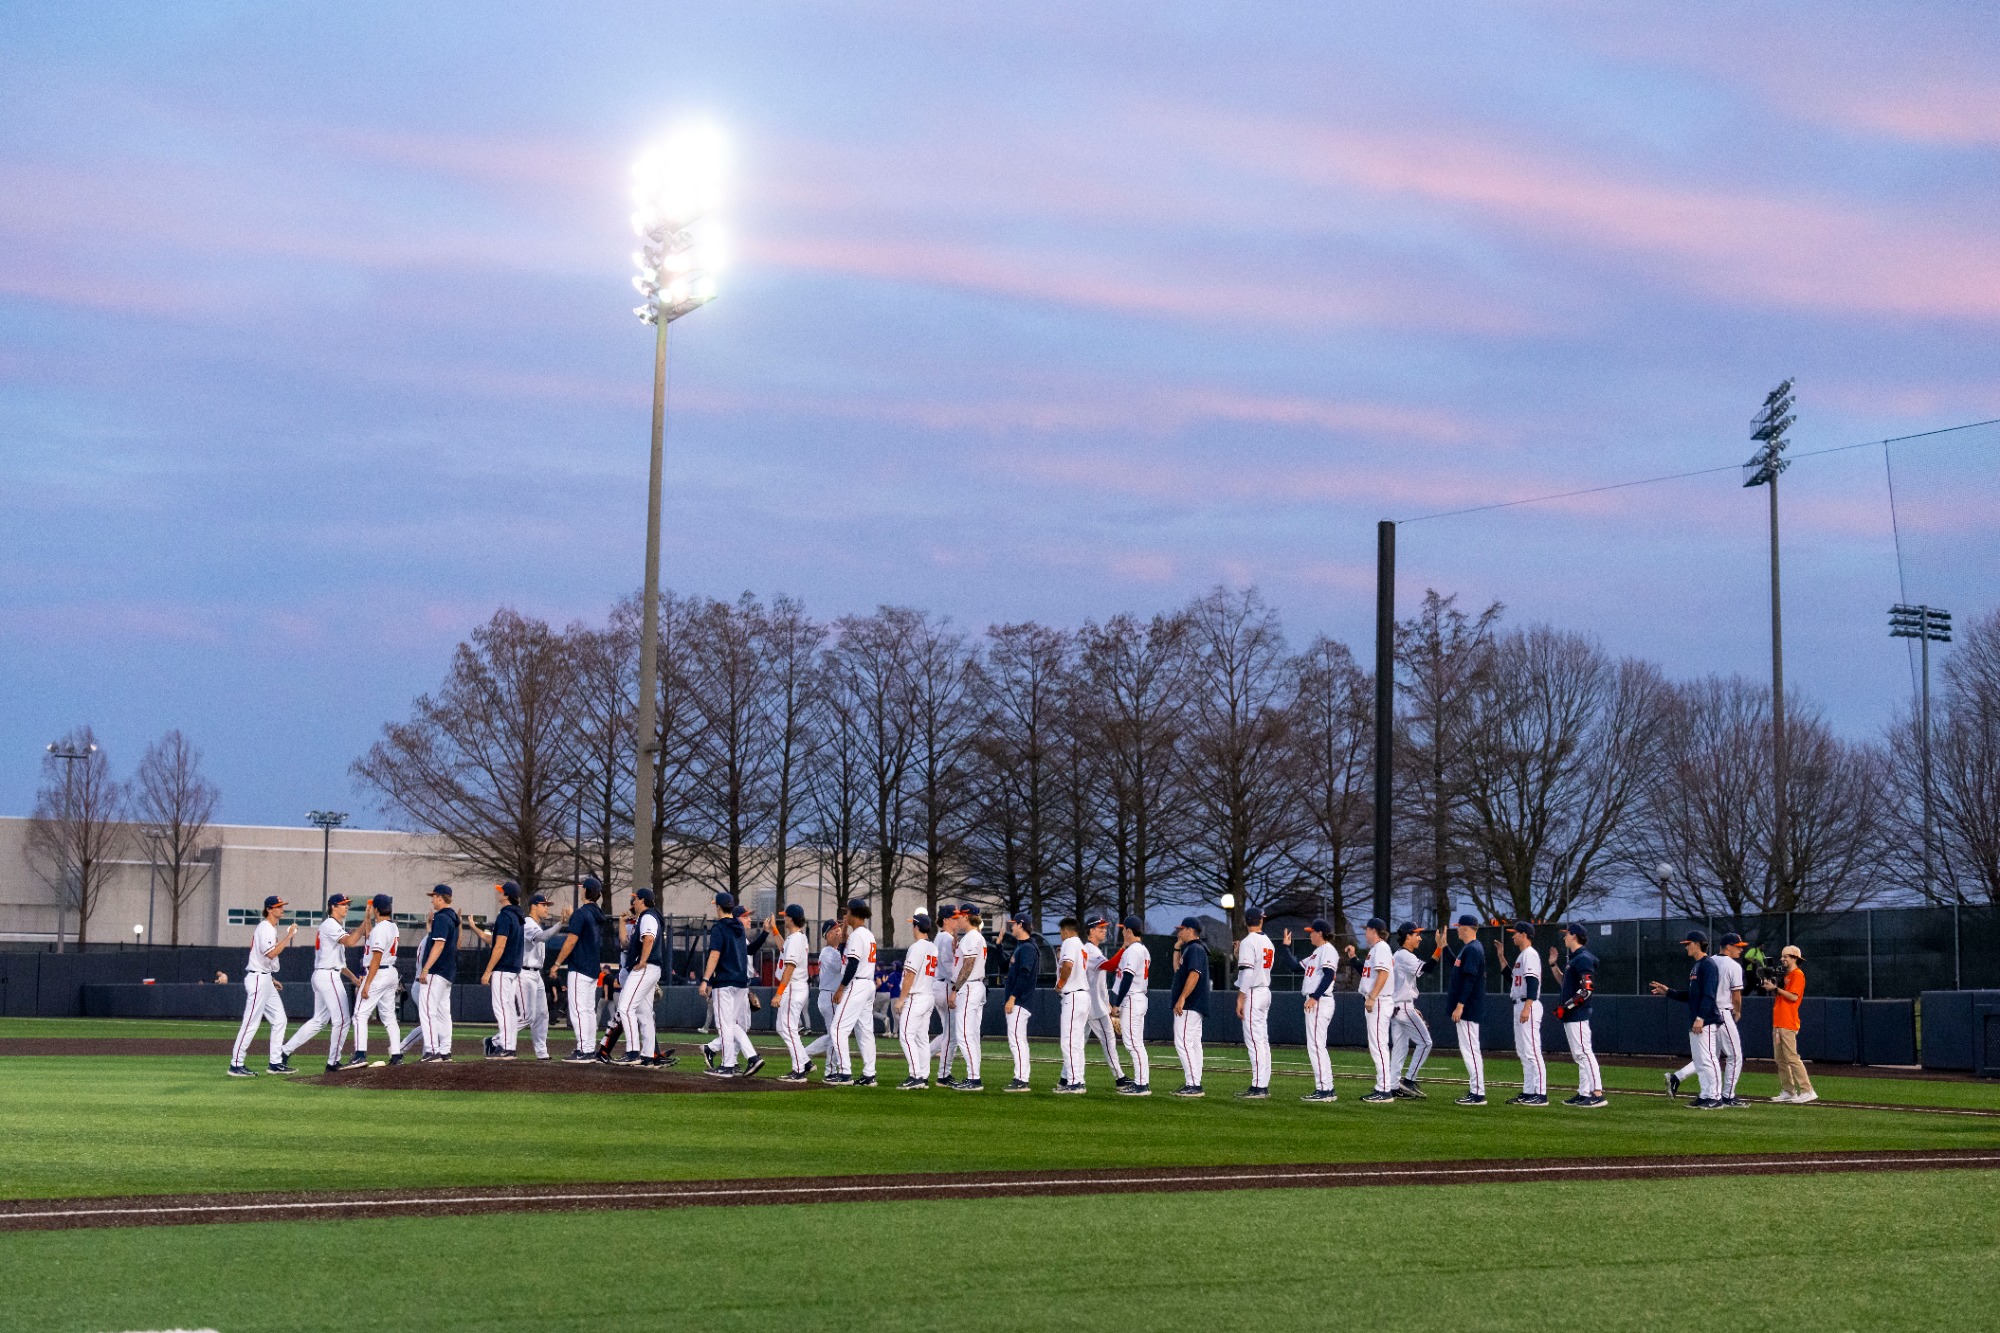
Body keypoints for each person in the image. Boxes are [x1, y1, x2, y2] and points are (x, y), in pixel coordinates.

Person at [283, 892, 365, 1073]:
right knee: (343, 1020)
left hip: (323, 974)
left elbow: (341, 964)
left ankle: (284, 1052)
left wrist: (352, 978)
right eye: (342, 904)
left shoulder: (334, 926)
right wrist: (365, 923)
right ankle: (333, 1062)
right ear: (332, 907)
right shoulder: (330, 924)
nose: (346, 907)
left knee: (319, 1020)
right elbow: (351, 942)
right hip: (328, 977)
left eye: (347, 904)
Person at [1651, 929, 1722, 1109]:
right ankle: (1705, 1095)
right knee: (1699, 1061)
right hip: (1696, 1020)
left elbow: (1709, 995)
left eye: (1688, 944)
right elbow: (1692, 995)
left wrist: (1701, 1017)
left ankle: (1714, 1096)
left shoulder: (1708, 965)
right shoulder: (1697, 965)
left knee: (1708, 1059)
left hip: (1705, 1020)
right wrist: (1668, 992)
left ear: (1697, 944)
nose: (1686, 948)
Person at [228, 894, 296, 1077]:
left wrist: (271, 979)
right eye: (278, 906)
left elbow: (264, 958)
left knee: (280, 1019)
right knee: (251, 1022)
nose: (282, 909)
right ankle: (236, 1064)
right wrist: (289, 936)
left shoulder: (270, 928)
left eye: (282, 905)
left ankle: (275, 1063)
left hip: (264, 978)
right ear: (269, 909)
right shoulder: (265, 928)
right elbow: (271, 954)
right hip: (258, 979)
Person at [700, 893, 761, 1078]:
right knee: (732, 1025)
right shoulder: (740, 929)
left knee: (724, 1025)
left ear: (718, 907)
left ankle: (727, 1065)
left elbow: (715, 955)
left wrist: (705, 979)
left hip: (725, 982)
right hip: (741, 983)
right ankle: (752, 1057)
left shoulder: (719, 928)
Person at [549, 879, 608, 1060]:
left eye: (583, 888)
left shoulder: (581, 914)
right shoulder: (598, 914)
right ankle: (588, 1047)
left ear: (586, 892)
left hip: (580, 967)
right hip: (592, 968)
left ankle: (584, 1049)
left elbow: (571, 941)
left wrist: (557, 963)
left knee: (578, 1010)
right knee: (588, 1011)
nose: (581, 891)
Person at [1494, 920, 1548, 1106]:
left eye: (1515, 933)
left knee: (1532, 1050)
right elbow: (1512, 978)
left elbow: (1532, 983)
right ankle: (1528, 1091)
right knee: (1523, 1051)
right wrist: (1501, 957)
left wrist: (1527, 1007)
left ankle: (1540, 1094)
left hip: (1528, 1005)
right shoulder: (1522, 956)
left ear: (1524, 935)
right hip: (1520, 1004)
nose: (1512, 936)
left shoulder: (1530, 955)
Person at [827, 898, 879, 1086]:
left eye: (847, 912)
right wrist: (846, 931)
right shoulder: (867, 934)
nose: (845, 915)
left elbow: (853, 964)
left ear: (854, 913)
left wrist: (841, 988)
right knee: (865, 1031)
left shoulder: (858, 935)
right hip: (867, 985)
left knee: (838, 1028)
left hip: (856, 984)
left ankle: (845, 1073)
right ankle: (869, 1074)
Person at [617, 888, 670, 1067]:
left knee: (625, 1007)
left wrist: (643, 960)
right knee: (644, 1012)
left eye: (636, 899)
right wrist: (622, 924)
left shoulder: (648, 916)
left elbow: (649, 938)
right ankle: (647, 1055)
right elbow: (626, 944)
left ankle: (633, 1052)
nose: (634, 902)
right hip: (650, 968)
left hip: (645, 967)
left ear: (643, 900)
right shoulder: (644, 917)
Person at [1553, 924, 1605, 1108]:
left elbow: (1586, 990)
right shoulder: (1574, 959)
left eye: (1566, 934)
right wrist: (1553, 964)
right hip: (1573, 1014)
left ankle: (1597, 1093)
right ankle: (1584, 1093)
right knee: (1579, 1055)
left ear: (1574, 936)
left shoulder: (1582, 959)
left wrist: (1566, 1008)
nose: (1564, 938)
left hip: (1578, 1014)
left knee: (1584, 1053)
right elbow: (1565, 983)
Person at [349, 895, 403, 1066]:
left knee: (359, 1015)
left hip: (378, 973)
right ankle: (396, 1055)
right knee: (389, 1017)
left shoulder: (380, 929)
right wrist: (367, 918)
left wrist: (367, 984)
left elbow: (376, 958)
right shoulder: (392, 927)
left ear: (376, 909)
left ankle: (360, 1055)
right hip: (390, 973)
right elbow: (370, 937)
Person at [473, 883, 525, 1060]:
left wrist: (488, 971)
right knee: (509, 1009)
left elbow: (499, 946)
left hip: (503, 968)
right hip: (514, 969)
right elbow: (496, 941)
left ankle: (505, 1047)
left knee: (502, 1008)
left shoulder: (505, 916)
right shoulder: (518, 916)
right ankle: (510, 1046)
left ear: (507, 895)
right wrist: (474, 927)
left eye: (502, 891)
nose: (499, 893)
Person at [1288, 919, 1339, 1102]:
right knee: (1317, 1046)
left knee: (1316, 1046)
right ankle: (1327, 1088)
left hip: (1320, 1001)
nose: (1310, 934)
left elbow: (1329, 976)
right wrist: (1286, 948)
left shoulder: (1328, 950)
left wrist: (1315, 997)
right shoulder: (1316, 953)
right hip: (1317, 1000)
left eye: (1312, 932)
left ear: (1320, 933)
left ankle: (1324, 1090)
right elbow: (1294, 967)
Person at [1764, 944, 1817, 1103]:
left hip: (1788, 1022)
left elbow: (1793, 997)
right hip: (1779, 1021)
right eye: (1782, 956)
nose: (1782, 959)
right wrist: (1772, 985)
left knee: (1792, 1058)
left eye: (1786, 956)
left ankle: (1807, 1090)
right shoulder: (1786, 975)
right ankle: (1789, 1091)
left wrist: (1775, 988)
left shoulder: (1797, 975)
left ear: (1794, 958)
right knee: (1780, 1059)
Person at [414, 885, 460, 1062]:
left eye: (434, 897)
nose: (432, 900)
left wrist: (425, 969)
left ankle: (432, 1050)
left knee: (427, 1011)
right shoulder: (453, 918)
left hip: (436, 972)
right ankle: (445, 1051)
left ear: (441, 898)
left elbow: (439, 945)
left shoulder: (441, 918)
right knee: (443, 1013)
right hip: (447, 973)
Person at [1388, 922, 1434, 1099]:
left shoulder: (1399, 955)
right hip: (1403, 1007)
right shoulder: (1404, 956)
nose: (1420, 938)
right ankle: (1409, 1081)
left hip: (1399, 1006)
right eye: (1416, 934)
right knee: (1425, 1042)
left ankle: (1393, 1086)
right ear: (1407, 936)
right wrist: (1439, 948)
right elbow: (1428, 968)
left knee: (1400, 1049)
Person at [1233, 907, 1275, 1100]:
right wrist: (1237, 954)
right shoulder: (1267, 941)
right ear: (1260, 920)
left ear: (1245, 921)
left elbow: (1248, 973)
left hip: (1253, 992)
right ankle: (1263, 1083)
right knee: (1262, 1041)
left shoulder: (1249, 942)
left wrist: (1241, 998)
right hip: (1264, 990)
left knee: (1255, 1041)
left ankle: (1258, 1086)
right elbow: (1252, 967)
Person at [1081, 914, 1127, 1088]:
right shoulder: (1090, 950)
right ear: (1091, 931)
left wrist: (1107, 1003)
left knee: (1078, 1044)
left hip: (1090, 1003)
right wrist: (1123, 947)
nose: (1104, 931)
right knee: (1108, 1040)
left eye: (1105, 928)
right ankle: (1120, 1078)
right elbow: (1110, 966)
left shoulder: (1093, 949)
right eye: (1100, 928)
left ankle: (1066, 1077)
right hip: (1094, 1007)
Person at [1446, 914, 1487, 1106]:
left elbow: (1470, 979)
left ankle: (1478, 1093)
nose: (1457, 929)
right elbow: (1457, 968)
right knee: (1469, 1049)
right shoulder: (1469, 949)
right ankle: (1476, 1090)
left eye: (1459, 926)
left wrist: (1460, 1005)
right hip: (1467, 1008)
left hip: (1468, 1008)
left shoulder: (1473, 949)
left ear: (1467, 928)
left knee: (1471, 1049)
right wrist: (1443, 947)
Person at [1108, 916, 1152, 1096]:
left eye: (1123, 929)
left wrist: (1117, 1004)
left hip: (1132, 999)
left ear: (1129, 931)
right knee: (1135, 1043)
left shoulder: (1134, 950)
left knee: (1133, 1044)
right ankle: (1141, 1081)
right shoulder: (1140, 949)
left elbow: (1128, 977)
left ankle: (1142, 1085)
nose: (1122, 932)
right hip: (1136, 998)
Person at [770, 905, 813, 1081]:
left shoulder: (796, 939)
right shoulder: (796, 938)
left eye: (786, 916)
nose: (784, 918)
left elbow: (790, 967)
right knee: (785, 1027)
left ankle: (799, 1070)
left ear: (791, 918)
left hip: (793, 987)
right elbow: (782, 948)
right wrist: (773, 928)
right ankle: (805, 1062)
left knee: (787, 1028)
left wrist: (779, 993)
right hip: (796, 987)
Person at [896, 913, 939, 1089]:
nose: (911, 928)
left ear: (916, 927)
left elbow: (910, 975)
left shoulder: (917, 947)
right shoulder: (932, 947)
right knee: (921, 1038)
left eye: (912, 925)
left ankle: (916, 1076)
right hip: (928, 995)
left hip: (917, 996)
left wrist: (901, 999)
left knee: (906, 1036)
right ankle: (923, 1075)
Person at [1169, 917, 1211, 1098]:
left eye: (1182, 929)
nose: (1179, 932)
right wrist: (1177, 948)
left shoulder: (1194, 949)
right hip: (1194, 1004)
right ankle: (1194, 1082)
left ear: (1191, 930)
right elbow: (1178, 970)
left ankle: (1193, 1084)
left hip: (1190, 1004)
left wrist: (1182, 998)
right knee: (1193, 1044)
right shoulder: (1192, 948)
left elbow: (1194, 975)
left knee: (1183, 1043)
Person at [949, 906, 989, 1091]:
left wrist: (955, 988)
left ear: (966, 917)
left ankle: (974, 1079)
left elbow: (969, 965)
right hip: (975, 986)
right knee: (971, 1035)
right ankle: (973, 1076)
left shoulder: (972, 937)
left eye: (960, 917)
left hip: (970, 986)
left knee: (964, 1034)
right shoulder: (975, 937)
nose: (958, 920)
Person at [1357, 918, 1396, 1103]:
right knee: (1378, 1046)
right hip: (1378, 1000)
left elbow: (1383, 973)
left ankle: (1384, 1089)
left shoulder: (1381, 947)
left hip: (1379, 1001)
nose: (1365, 933)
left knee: (1379, 1046)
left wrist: (1372, 996)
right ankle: (1383, 1087)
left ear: (1374, 930)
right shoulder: (1377, 949)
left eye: (1367, 930)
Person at [516, 893, 557, 1061]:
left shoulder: (537, 924)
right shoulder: (527, 923)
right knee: (527, 1017)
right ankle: (497, 1041)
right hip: (525, 973)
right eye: (543, 904)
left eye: (547, 905)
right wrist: (561, 923)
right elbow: (542, 937)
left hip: (536, 974)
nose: (546, 908)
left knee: (542, 1014)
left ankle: (542, 1052)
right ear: (533, 906)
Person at [1000, 917, 1038, 1091]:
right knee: (1017, 1040)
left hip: (1020, 1001)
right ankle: (1021, 1077)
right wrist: (999, 945)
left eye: (1013, 924)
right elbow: (1005, 966)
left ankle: (1022, 1079)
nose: (1011, 927)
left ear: (1021, 925)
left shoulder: (1029, 947)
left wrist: (1013, 997)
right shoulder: (1021, 947)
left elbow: (1025, 974)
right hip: (1019, 1001)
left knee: (1017, 1041)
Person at [1054, 918, 1090, 1094]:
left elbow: (1068, 965)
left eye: (1061, 932)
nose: (1061, 936)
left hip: (1073, 996)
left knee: (1068, 1042)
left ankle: (1074, 1082)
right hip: (1082, 996)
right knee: (1076, 1043)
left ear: (1067, 931)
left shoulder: (1069, 942)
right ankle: (1078, 1080)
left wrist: (1060, 983)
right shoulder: (1081, 945)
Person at [929, 905, 961, 1082]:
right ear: (946, 920)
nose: (958, 920)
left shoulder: (941, 937)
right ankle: (943, 1074)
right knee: (952, 1035)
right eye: (955, 918)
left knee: (949, 1032)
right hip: (946, 987)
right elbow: (950, 968)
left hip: (939, 985)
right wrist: (957, 987)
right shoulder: (945, 938)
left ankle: (923, 1058)